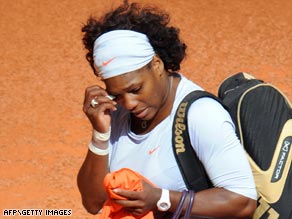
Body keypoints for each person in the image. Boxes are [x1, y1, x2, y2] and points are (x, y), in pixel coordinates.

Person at [77, 1, 257, 218]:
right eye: (117, 95)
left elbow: (243, 202)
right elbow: (93, 203)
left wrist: (162, 198)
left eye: (135, 89)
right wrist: (100, 134)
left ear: (156, 64)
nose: (129, 103)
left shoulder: (201, 114)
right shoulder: (116, 114)